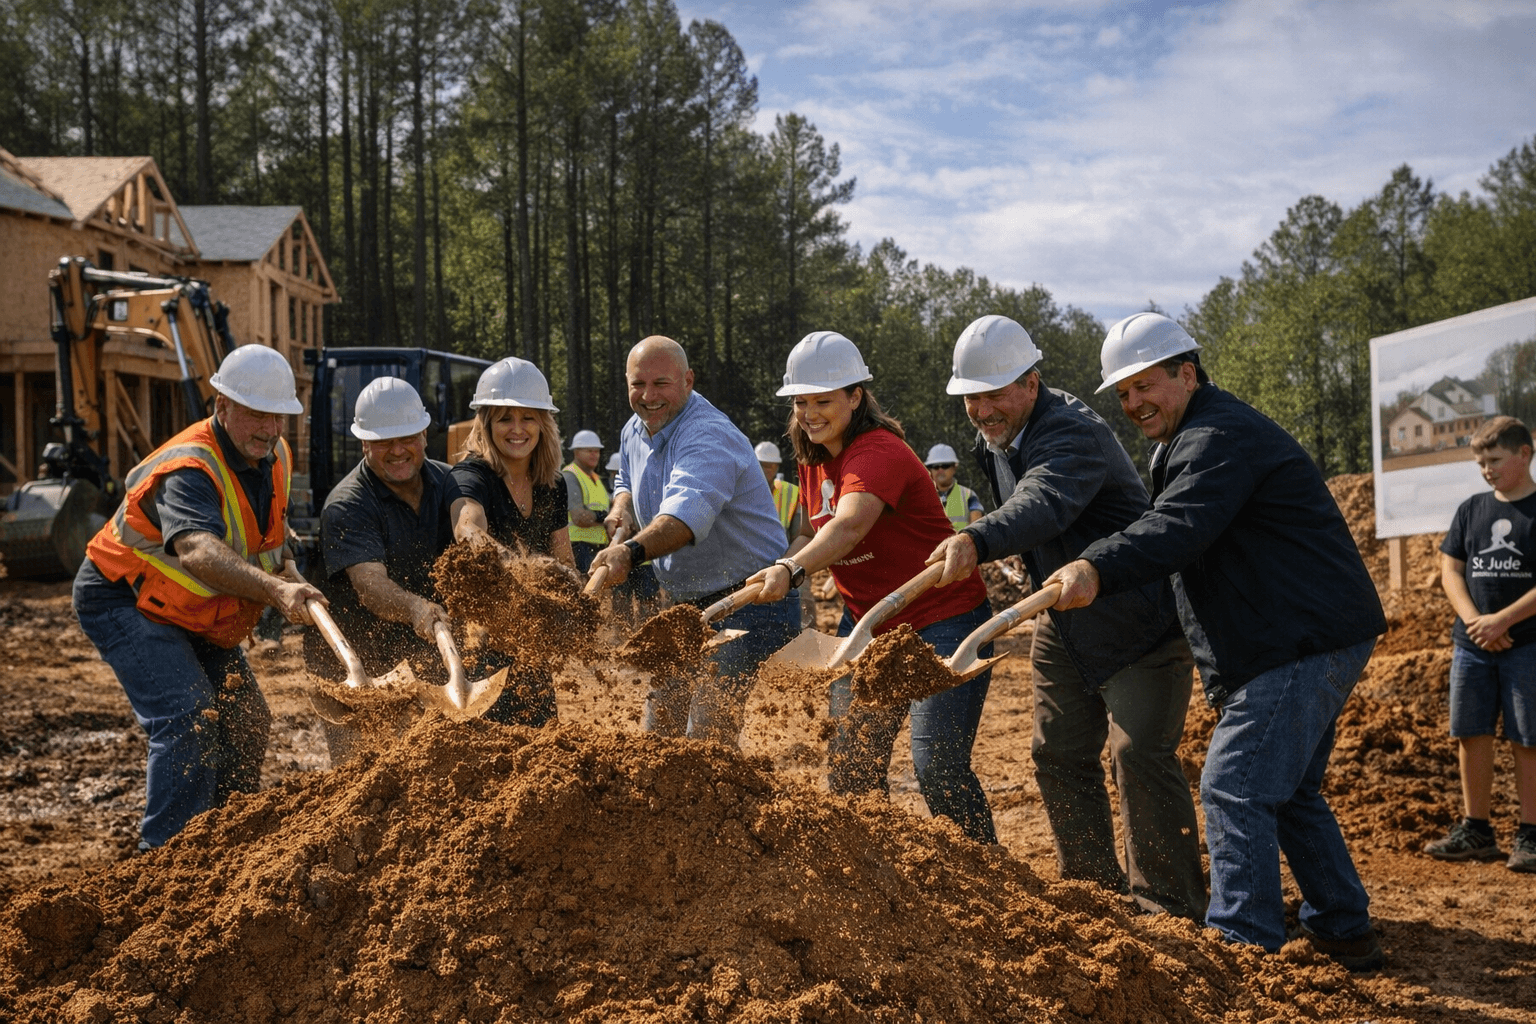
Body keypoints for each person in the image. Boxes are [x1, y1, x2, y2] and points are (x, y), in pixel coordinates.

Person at [1044, 312, 1387, 970]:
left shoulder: (1215, 437)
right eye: (1123, 393)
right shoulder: (1193, 438)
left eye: (1145, 385)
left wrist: (1096, 565)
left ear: (1188, 373)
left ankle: (1242, 950)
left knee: (1234, 787)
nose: (1133, 403)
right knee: (1287, 790)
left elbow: (1178, 528)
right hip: (1307, 635)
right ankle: (1343, 927)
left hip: (1299, 642)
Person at [927, 314, 1205, 918]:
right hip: (1062, 614)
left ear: (1031, 382)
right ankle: (1093, 895)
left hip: (1136, 617)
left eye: (995, 394)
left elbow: (1043, 500)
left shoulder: (1071, 431)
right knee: (1057, 752)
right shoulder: (994, 438)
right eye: (971, 398)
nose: (982, 410)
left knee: (1137, 756)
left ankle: (1169, 910)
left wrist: (977, 539)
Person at [747, 331, 997, 844]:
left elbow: (850, 524)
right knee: (851, 768)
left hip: (943, 619)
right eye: (801, 402)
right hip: (868, 623)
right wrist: (783, 560)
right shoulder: (814, 457)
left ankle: (994, 883)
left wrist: (795, 572)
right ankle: (877, 876)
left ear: (856, 396)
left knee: (938, 766)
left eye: (824, 401)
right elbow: (818, 528)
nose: (810, 413)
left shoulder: (879, 450)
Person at [72, 344, 324, 849]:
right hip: (124, 597)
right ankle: (166, 861)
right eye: (257, 414)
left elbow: (265, 533)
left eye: (280, 417)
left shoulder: (274, 455)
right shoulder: (191, 467)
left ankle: (225, 846)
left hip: (193, 607)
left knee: (247, 718)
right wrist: (276, 590)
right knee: (188, 717)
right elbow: (197, 551)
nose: (271, 429)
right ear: (221, 405)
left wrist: (285, 564)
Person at [591, 335, 799, 744]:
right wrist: (620, 509)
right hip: (688, 602)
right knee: (661, 725)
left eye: (661, 384)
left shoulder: (707, 436)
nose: (648, 396)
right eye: (638, 384)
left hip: (752, 599)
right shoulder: (634, 429)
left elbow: (684, 520)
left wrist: (629, 552)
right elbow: (626, 480)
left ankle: (725, 806)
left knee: (706, 732)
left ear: (688, 380)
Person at [301, 377, 455, 763]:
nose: (398, 450)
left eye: (407, 437)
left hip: (417, 651)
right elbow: (371, 587)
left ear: (423, 433)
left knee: (430, 766)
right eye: (384, 441)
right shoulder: (347, 504)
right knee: (364, 775)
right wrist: (420, 609)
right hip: (353, 660)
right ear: (364, 442)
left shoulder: (448, 483)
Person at [1426, 415, 1536, 872]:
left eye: (1494, 459)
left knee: (1528, 737)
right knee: (1470, 733)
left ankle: (1531, 835)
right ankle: (1477, 829)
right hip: (1472, 644)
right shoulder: (1471, 509)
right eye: (1480, 462)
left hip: (1527, 642)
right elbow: (1451, 568)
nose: (1486, 469)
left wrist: (1502, 621)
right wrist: (1476, 622)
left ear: (1524, 454)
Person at [445, 356, 574, 727]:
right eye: (504, 418)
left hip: (533, 648)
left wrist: (574, 597)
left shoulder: (553, 484)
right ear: (486, 424)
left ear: (543, 424)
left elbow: (563, 559)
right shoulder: (470, 476)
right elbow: (468, 529)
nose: (517, 429)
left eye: (528, 417)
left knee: (539, 747)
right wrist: (528, 569)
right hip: (480, 650)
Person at [756, 440, 817, 628]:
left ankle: (808, 638)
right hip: (753, 563)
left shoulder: (790, 493)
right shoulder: (743, 492)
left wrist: (790, 566)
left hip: (787, 558)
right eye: (762, 466)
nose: (767, 470)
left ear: (777, 467)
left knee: (802, 597)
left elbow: (802, 534)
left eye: (770, 466)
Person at [563, 430, 611, 572]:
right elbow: (579, 517)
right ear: (576, 452)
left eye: (597, 451)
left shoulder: (595, 478)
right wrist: (604, 517)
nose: (594, 455)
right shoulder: (570, 475)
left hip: (598, 547)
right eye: (589, 451)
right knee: (585, 591)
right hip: (579, 547)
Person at [923, 443, 983, 530]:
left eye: (945, 466)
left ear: (955, 467)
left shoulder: (968, 495)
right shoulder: (922, 496)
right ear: (930, 469)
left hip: (961, 543)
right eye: (935, 467)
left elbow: (977, 528)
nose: (940, 470)